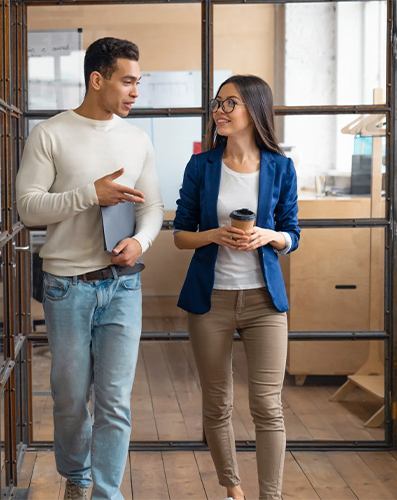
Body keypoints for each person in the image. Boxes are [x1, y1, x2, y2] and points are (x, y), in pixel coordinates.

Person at [16, 37, 164, 500]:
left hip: (123, 286)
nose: (135, 91)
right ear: (97, 79)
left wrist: (139, 242)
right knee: (69, 400)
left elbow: (154, 208)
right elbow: (28, 209)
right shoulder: (50, 134)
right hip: (66, 288)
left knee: (115, 401)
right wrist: (89, 195)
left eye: (138, 82)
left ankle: (104, 493)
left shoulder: (137, 139)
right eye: (127, 81)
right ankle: (76, 478)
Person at [173, 75, 300, 500]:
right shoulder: (202, 165)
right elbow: (180, 234)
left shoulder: (281, 167)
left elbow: (292, 234)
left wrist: (269, 235)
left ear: (255, 111)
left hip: (265, 301)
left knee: (268, 406)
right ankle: (233, 490)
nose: (219, 111)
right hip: (212, 301)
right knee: (218, 403)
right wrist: (213, 235)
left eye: (231, 104)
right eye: (217, 103)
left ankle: (271, 496)